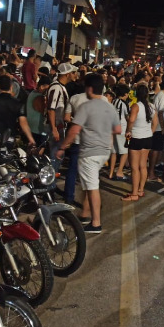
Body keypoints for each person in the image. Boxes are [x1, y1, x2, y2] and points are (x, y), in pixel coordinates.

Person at [56, 74, 121, 233]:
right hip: (104, 151)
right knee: (89, 183)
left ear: (89, 89)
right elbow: (117, 129)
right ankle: (85, 213)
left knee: (92, 187)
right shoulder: (109, 106)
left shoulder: (87, 107)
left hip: (90, 152)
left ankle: (96, 223)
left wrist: (63, 147)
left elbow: (74, 130)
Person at [122, 83, 158, 201]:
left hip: (136, 138)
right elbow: (155, 122)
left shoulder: (135, 106)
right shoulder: (152, 106)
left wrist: (128, 130)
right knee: (143, 166)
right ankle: (141, 190)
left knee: (134, 167)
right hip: (148, 138)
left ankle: (134, 194)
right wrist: (150, 132)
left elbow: (131, 120)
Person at [61, 84, 90, 205]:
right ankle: (88, 204)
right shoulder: (100, 99)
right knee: (90, 173)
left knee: (72, 169)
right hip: (92, 140)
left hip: (77, 138)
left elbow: (66, 117)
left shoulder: (74, 98)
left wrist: (77, 121)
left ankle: (68, 197)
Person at [47, 62, 76, 171]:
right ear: (67, 74)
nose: (75, 75)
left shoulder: (60, 87)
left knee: (57, 154)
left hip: (58, 126)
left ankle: (52, 182)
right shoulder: (56, 88)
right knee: (55, 155)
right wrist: (54, 128)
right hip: (55, 127)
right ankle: (51, 183)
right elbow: (51, 109)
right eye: (73, 73)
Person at [110, 84, 131, 181]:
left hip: (112, 128)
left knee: (113, 152)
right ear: (125, 94)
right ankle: (119, 172)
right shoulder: (123, 103)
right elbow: (127, 117)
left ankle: (111, 172)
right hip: (121, 129)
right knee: (124, 151)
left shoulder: (113, 101)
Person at [25, 76, 51, 147]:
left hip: (30, 127)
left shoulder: (32, 93)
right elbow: (43, 111)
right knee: (38, 150)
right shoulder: (40, 97)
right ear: (42, 86)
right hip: (39, 129)